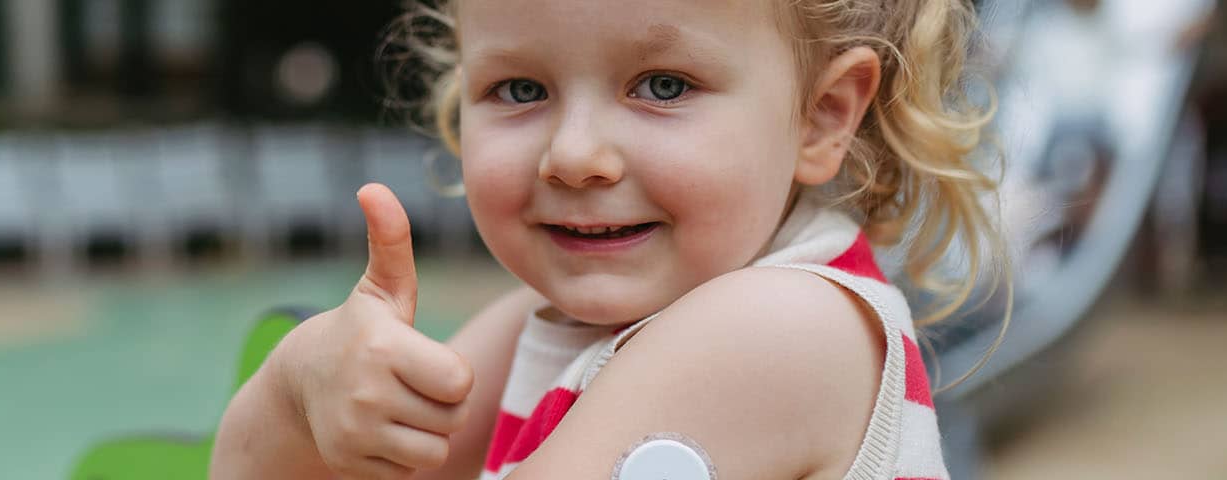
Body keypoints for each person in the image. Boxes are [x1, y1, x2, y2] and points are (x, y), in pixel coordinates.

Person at [211, 0, 1007, 478]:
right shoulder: (551, 325)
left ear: (823, 115)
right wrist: (299, 391)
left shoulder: (784, 328)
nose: (576, 156)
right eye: (520, 89)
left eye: (663, 86)